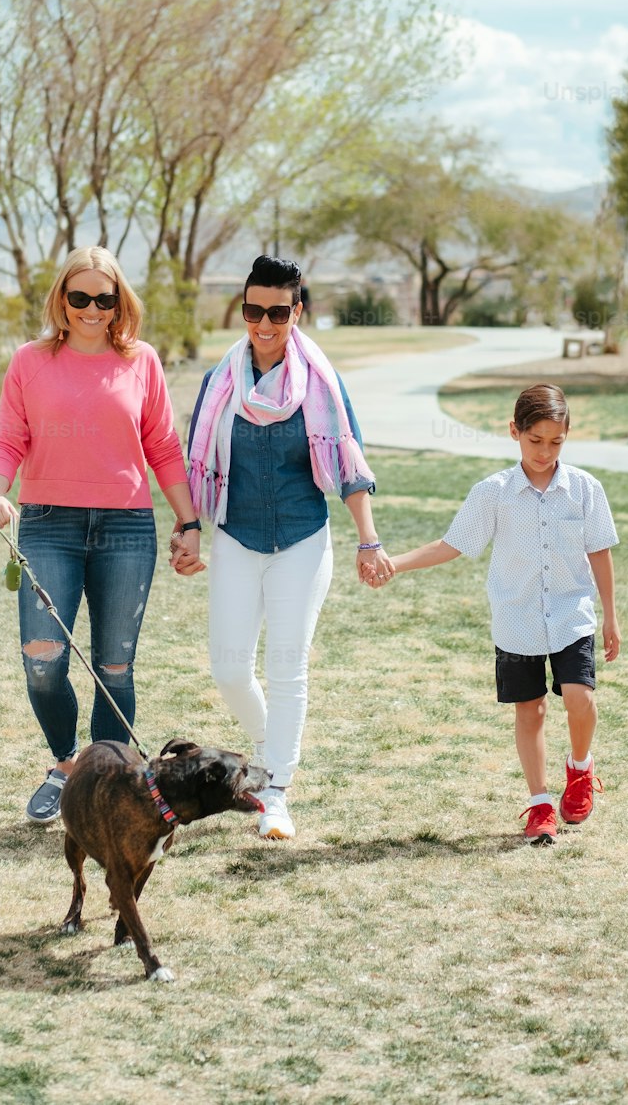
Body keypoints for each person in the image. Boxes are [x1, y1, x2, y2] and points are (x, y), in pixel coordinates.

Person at [0, 247, 205, 825]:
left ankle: (106, 782)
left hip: (126, 526)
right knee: (43, 659)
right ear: (61, 299)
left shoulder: (142, 360)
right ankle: (65, 765)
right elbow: (8, 437)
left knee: (113, 668)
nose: (90, 309)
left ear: (118, 303)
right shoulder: (29, 361)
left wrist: (189, 521)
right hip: (47, 524)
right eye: (78, 297)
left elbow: (162, 447)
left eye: (104, 299)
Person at [187, 254, 392, 839]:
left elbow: (349, 464)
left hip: (302, 540)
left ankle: (275, 790)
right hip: (235, 535)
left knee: (286, 666)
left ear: (297, 311)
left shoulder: (321, 384)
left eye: (278, 311)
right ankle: (265, 745)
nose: (265, 323)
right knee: (228, 668)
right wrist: (189, 528)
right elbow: (195, 459)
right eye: (254, 310)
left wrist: (368, 539)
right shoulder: (221, 380)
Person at [377, 383, 620, 846]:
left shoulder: (586, 489)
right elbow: (453, 544)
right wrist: (397, 563)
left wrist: (610, 615)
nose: (545, 452)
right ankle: (540, 804)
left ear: (567, 435)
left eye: (556, 441)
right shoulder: (493, 493)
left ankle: (581, 769)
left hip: (572, 613)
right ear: (514, 432)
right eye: (535, 441)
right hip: (517, 618)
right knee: (530, 711)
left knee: (580, 699)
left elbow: (600, 551)